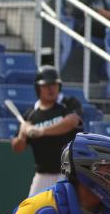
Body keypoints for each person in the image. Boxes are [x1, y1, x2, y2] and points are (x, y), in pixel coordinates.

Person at [11, 66, 84, 197]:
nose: (51, 89)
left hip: (68, 173)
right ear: (38, 88)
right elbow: (17, 148)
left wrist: (41, 131)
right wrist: (22, 134)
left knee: (67, 212)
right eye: (46, 85)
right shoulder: (31, 114)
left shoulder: (68, 103)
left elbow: (72, 122)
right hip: (42, 175)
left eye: (54, 84)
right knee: (31, 212)